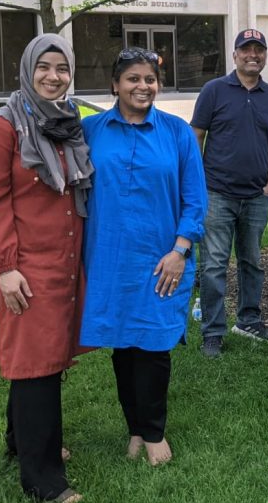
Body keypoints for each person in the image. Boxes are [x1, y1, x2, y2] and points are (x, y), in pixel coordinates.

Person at [0, 33, 93, 503]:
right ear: (27, 69)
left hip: (64, 259)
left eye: (61, 69)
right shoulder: (3, 127)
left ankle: (18, 441)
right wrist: (5, 267)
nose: (53, 77)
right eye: (44, 67)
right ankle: (44, 482)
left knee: (42, 360)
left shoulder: (66, 122)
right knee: (37, 367)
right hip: (25, 266)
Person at [79, 48, 207, 465]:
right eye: (132, 78)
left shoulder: (177, 133)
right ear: (114, 85)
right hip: (110, 257)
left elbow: (195, 198)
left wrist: (180, 250)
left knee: (153, 345)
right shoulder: (91, 130)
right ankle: (134, 429)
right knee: (122, 345)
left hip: (161, 259)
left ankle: (153, 433)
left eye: (149, 79)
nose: (142, 86)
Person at [191, 28, 268, 358]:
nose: (253, 55)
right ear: (234, 55)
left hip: (256, 195)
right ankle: (213, 332)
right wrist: (198, 180)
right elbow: (197, 135)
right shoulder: (214, 90)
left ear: (264, 55)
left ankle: (249, 320)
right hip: (217, 193)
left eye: (258, 50)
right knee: (213, 265)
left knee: (252, 262)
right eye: (246, 49)